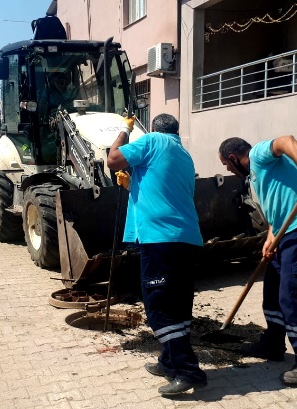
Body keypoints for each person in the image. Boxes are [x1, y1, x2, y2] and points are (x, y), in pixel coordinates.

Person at [107, 114, 207, 396]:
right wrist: (135, 183)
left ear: (152, 130)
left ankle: (188, 371)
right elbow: (164, 187)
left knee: (160, 305)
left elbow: (113, 159)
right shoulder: (183, 154)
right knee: (178, 304)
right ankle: (168, 361)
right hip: (186, 238)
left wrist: (123, 132)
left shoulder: (151, 141)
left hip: (160, 239)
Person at [218, 136, 297, 385]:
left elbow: (286, 141)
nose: (228, 170)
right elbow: (277, 210)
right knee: (273, 291)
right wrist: (271, 237)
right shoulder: (257, 177)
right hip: (284, 233)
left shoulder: (257, 155)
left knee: (294, 294)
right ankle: (273, 344)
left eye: (226, 164)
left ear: (234, 158)